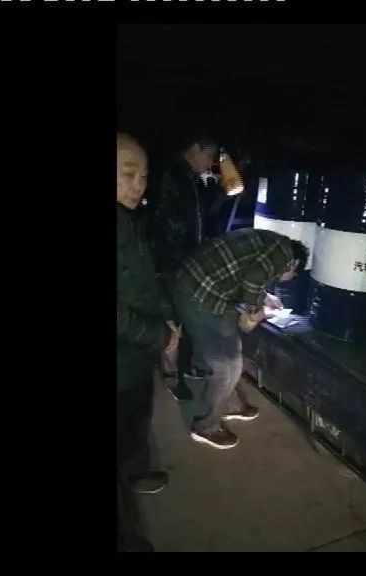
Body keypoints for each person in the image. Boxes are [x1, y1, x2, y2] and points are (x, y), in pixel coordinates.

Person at [170, 228, 309, 449]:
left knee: (230, 349)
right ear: (293, 265)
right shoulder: (282, 254)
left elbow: (247, 271)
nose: (288, 280)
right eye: (292, 276)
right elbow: (253, 278)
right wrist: (256, 309)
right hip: (200, 295)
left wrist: (264, 297)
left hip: (198, 287)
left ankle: (231, 405)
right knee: (227, 366)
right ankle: (206, 426)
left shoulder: (274, 243)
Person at [116, 133, 181, 551]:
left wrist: (164, 318)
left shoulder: (127, 219)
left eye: (143, 175)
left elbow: (139, 281)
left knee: (132, 428)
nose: (139, 184)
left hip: (134, 359)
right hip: (121, 361)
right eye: (128, 173)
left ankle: (134, 473)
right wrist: (159, 335)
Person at [148, 135, 232, 401]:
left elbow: (201, 217)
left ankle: (184, 370)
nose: (210, 163)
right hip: (169, 262)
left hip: (183, 261)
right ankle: (173, 376)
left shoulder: (191, 179)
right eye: (209, 156)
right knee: (173, 319)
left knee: (183, 317)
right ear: (195, 148)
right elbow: (159, 223)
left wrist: (221, 192)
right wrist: (165, 263)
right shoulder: (169, 175)